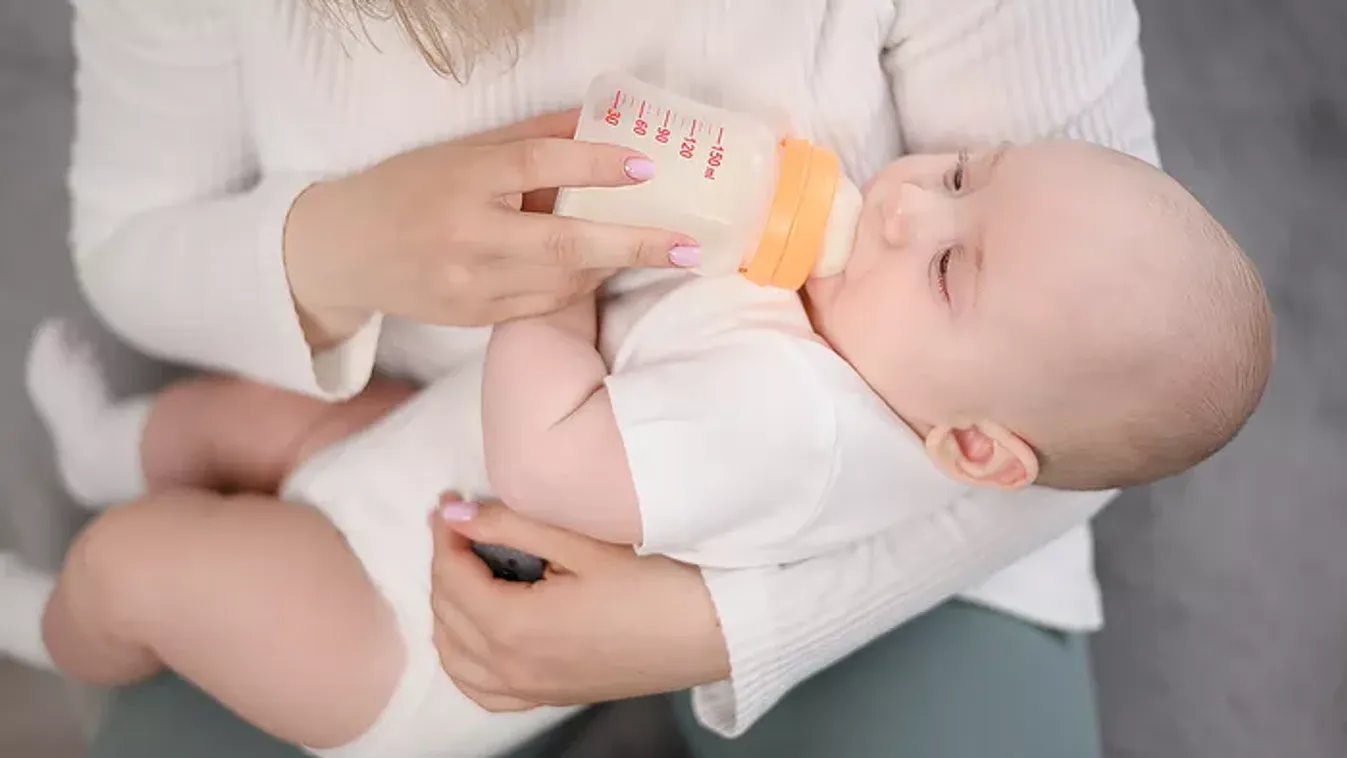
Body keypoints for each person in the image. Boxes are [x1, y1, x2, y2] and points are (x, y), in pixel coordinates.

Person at [0, 0, 1178, 756]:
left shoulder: (809, 423)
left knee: (131, 569)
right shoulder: (844, 301)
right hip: (417, 423)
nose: (911, 199)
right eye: (961, 172)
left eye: (952, 259)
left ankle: (44, 610)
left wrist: (711, 627)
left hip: (414, 595)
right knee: (250, 426)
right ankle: (109, 445)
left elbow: (1118, 387)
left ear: (971, 443)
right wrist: (336, 246)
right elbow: (131, 241)